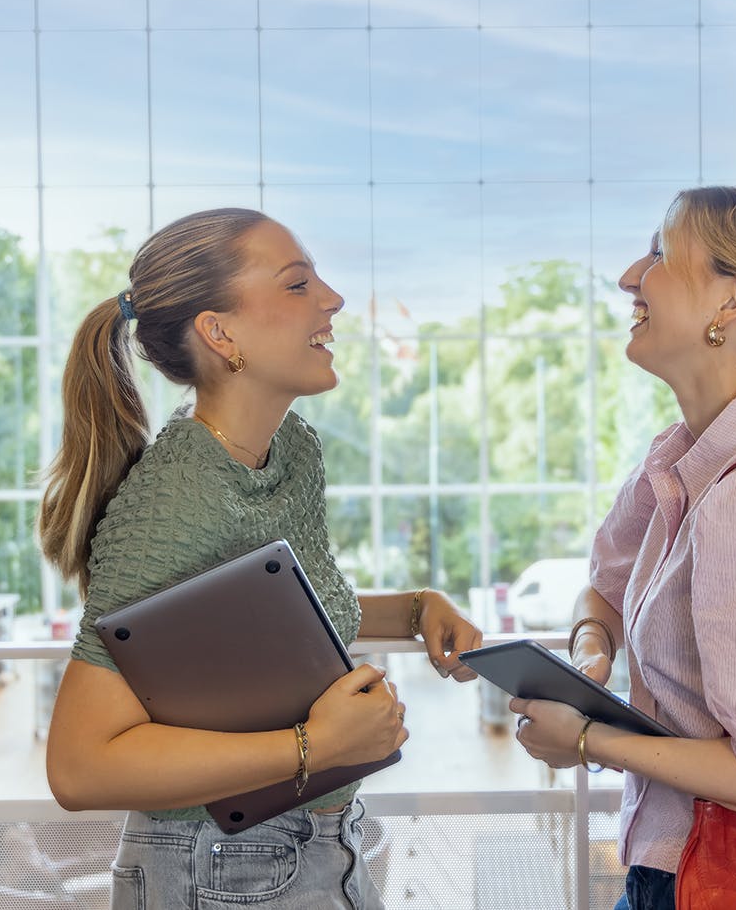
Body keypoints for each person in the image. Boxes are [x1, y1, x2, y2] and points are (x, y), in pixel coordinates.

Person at [39, 208, 482, 909]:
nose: (333, 299)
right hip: (218, 868)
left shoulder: (294, 451)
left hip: (320, 846)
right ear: (221, 333)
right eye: (298, 284)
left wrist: (417, 607)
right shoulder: (176, 497)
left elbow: (266, 622)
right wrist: (313, 744)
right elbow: (78, 765)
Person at [509, 187, 736, 910]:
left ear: (731, 300)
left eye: (658, 254)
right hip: (673, 870)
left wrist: (588, 739)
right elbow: (607, 582)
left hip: (721, 882)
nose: (628, 277)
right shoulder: (687, 457)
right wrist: (593, 654)